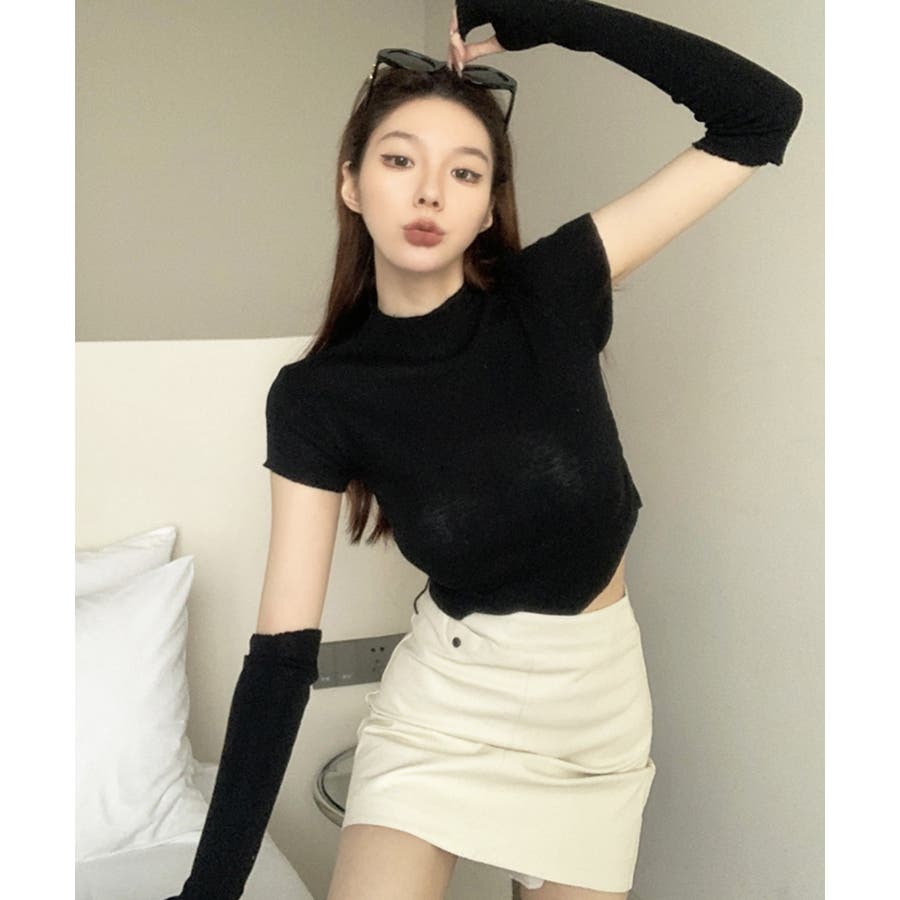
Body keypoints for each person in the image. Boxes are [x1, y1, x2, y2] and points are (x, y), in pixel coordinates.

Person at [164, 2, 802, 899]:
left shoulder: (553, 290)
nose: (430, 193)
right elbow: (280, 654)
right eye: (400, 161)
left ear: (487, 203)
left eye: (465, 172)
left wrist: (550, 16)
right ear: (351, 184)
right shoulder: (317, 396)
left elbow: (761, 113)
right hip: (442, 712)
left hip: (595, 720)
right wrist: (210, 889)